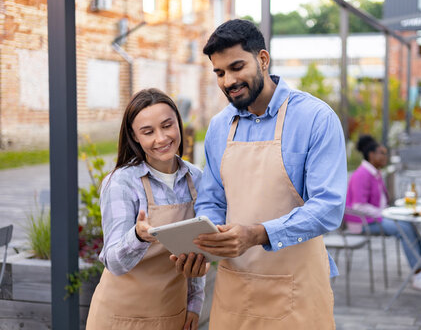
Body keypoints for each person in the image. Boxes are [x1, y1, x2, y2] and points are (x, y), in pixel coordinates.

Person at [182, 19, 347, 329]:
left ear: (262, 59)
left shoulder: (315, 118)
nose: (228, 80)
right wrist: (204, 243)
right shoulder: (219, 127)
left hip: (298, 291)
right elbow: (212, 199)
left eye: (236, 67)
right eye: (219, 73)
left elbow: (328, 207)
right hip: (235, 289)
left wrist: (257, 234)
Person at [86, 89, 206, 330]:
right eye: (148, 132)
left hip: (173, 314)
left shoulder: (197, 178)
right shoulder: (121, 182)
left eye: (167, 126)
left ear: (178, 124)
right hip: (121, 318)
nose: (161, 139)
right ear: (135, 136)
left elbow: (197, 249)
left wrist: (195, 304)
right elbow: (113, 263)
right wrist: (138, 237)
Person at [345, 135, 421, 293]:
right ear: (371, 155)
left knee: (409, 223)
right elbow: (358, 205)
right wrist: (384, 213)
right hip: (362, 223)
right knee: (403, 228)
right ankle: (418, 276)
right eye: (382, 153)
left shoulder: (374, 173)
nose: (386, 157)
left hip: (376, 218)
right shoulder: (362, 174)